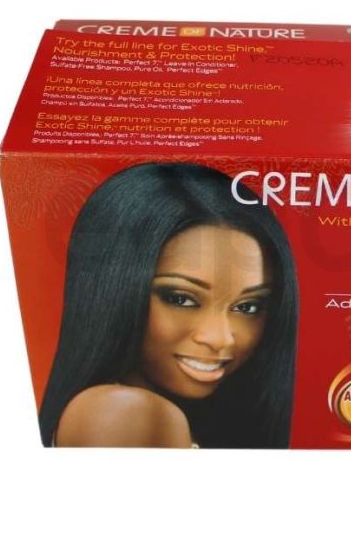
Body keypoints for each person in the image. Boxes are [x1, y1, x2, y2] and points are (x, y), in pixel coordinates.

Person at [38, 163, 298, 448]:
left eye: (247, 307)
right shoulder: (130, 411)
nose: (220, 339)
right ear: (112, 289)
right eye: (181, 299)